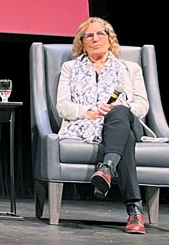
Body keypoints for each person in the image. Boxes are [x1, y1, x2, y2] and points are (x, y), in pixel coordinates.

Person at [56, 17, 150, 234]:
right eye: (88, 35)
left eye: (100, 34)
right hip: (85, 125)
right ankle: (134, 210)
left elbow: (142, 104)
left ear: (110, 39)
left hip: (125, 120)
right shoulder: (70, 68)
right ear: (82, 42)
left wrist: (120, 111)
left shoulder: (130, 68)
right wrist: (89, 112)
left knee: (119, 113)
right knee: (122, 138)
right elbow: (63, 106)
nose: (95, 38)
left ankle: (107, 168)